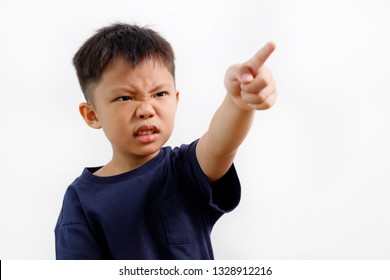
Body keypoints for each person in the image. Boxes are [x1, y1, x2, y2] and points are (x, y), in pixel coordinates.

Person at [55, 23, 276, 260]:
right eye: (125, 97)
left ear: (176, 99)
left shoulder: (184, 168)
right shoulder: (81, 200)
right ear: (92, 114)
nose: (146, 109)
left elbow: (221, 144)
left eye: (160, 94)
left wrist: (238, 102)